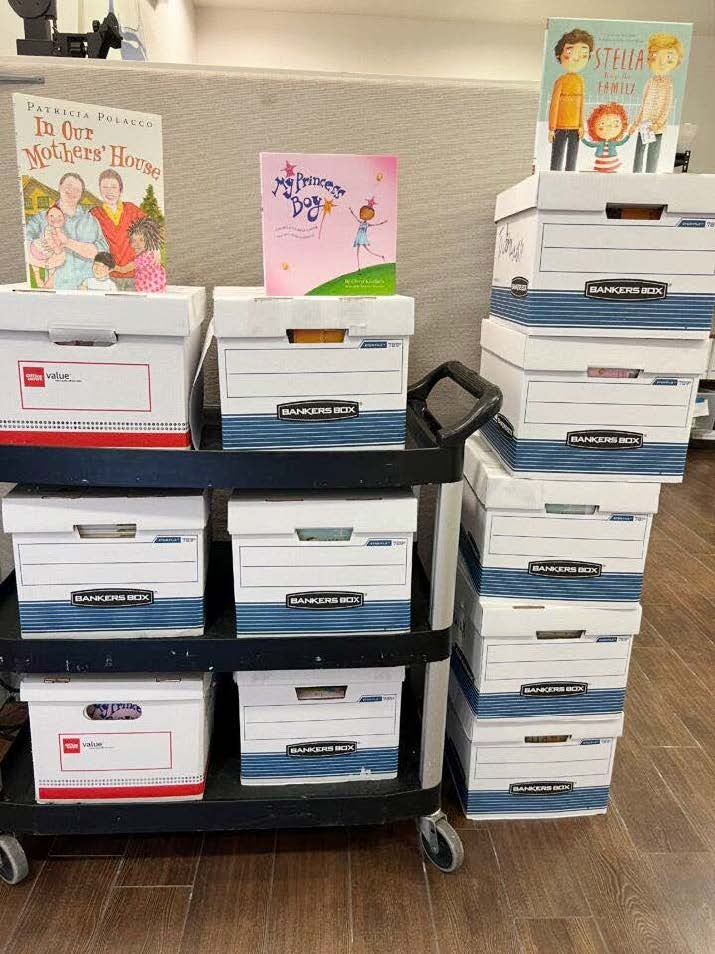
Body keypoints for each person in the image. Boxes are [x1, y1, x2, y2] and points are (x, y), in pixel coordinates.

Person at [25, 172, 108, 289]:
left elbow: (103, 252)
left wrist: (67, 242)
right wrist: (46, 263)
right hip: (56, 289)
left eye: (77, 189)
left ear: (81, 195)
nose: (72, 191)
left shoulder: (91, 221)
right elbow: (22, 245)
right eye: (68, 186)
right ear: (59, 187)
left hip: (88, 288)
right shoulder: (41, 218)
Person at [630, 33, 685, 173]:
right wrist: (636, 123)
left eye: (668, 58)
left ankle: (650, 175)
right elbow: (643, 105)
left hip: (656, 128)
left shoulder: (669, 85)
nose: (660, 63)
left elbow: (667, 107)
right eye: (655, 56)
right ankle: (635, 175)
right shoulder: (649, 82)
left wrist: (658, 124)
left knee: (653, 155)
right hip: (644, 125)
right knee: (639, 153)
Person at [91, 168, 146, 290]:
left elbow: (151, 235)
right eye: (105, 187)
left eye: (113, 187)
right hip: (107, 277)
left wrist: (135, 263)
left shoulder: (132, 210)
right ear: (99, 189)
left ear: (120, 189)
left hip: (136, 274)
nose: (109, 191)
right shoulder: (94, 214)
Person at [548, 28, 594, 171]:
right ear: (559, 55)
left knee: (572, 161)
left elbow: (581, 105)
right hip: (560, 128)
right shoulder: (560, 81)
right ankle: (554, 178)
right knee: (557, 158)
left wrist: (581, 126)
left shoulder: (580, 81)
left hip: (575, 128)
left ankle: (570, 179)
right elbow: (554, 106)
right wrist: (551, 128)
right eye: (569, 52)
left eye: (583, 54)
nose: (576, 58)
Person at [581, 103, 631, 173]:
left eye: (615, 125)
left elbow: (622, 142)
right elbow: (590, 144)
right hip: (599, 166)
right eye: (602, 124)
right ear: (593, 127)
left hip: (614, 166)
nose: (609, 128)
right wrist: (582, 138)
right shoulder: (599, 143)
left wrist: (629, 134)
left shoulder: (613, 143)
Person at [28, 205, 66, 288]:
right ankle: (37, 278)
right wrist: (57, 248)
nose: (56, 218)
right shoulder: (49, 229)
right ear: (47, 218)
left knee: (53, 264)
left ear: (64, 217)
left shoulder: (63, 230)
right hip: (42, 248)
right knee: (36, 261)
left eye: (59, 216)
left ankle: (49, 280)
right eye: (51, 216)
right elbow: (50, 240)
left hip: (53, 252)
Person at [128, 216, 166, 292]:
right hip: (155, 285)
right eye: (133, 240)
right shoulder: (150, 252)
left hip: (150, 288)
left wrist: (115, 267)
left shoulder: (143, 258)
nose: (136, 244)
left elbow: (126, 268)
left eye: (141, 240)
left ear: (149, 240)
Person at [349, 202, 387, 272]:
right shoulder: (361, 222)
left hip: (362, 237)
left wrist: (382, 223)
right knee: (360, 250)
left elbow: (376, 224)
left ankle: (379, 256)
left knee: (364, 250)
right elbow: (355, 217)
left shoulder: (367, 224)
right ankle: (359, 267)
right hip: (359, 236)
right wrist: (351, 211)